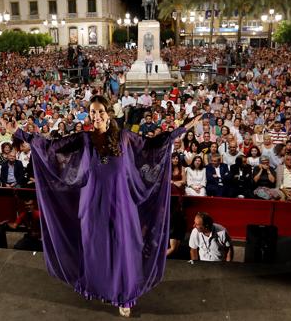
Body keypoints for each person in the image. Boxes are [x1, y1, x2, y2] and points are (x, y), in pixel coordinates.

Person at [14, 95, 201, 317]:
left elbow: (153, 144)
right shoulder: (84, 138)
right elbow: (51, 146)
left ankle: (125, 296)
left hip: (121, 203)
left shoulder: (124, 137)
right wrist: (21, 133)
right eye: (92, 112)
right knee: (96, 247)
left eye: (100, 111)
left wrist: (181, 129)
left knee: (123, 248)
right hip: (92, 202)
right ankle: (100, 287)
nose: (96, 116)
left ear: (108, 113)